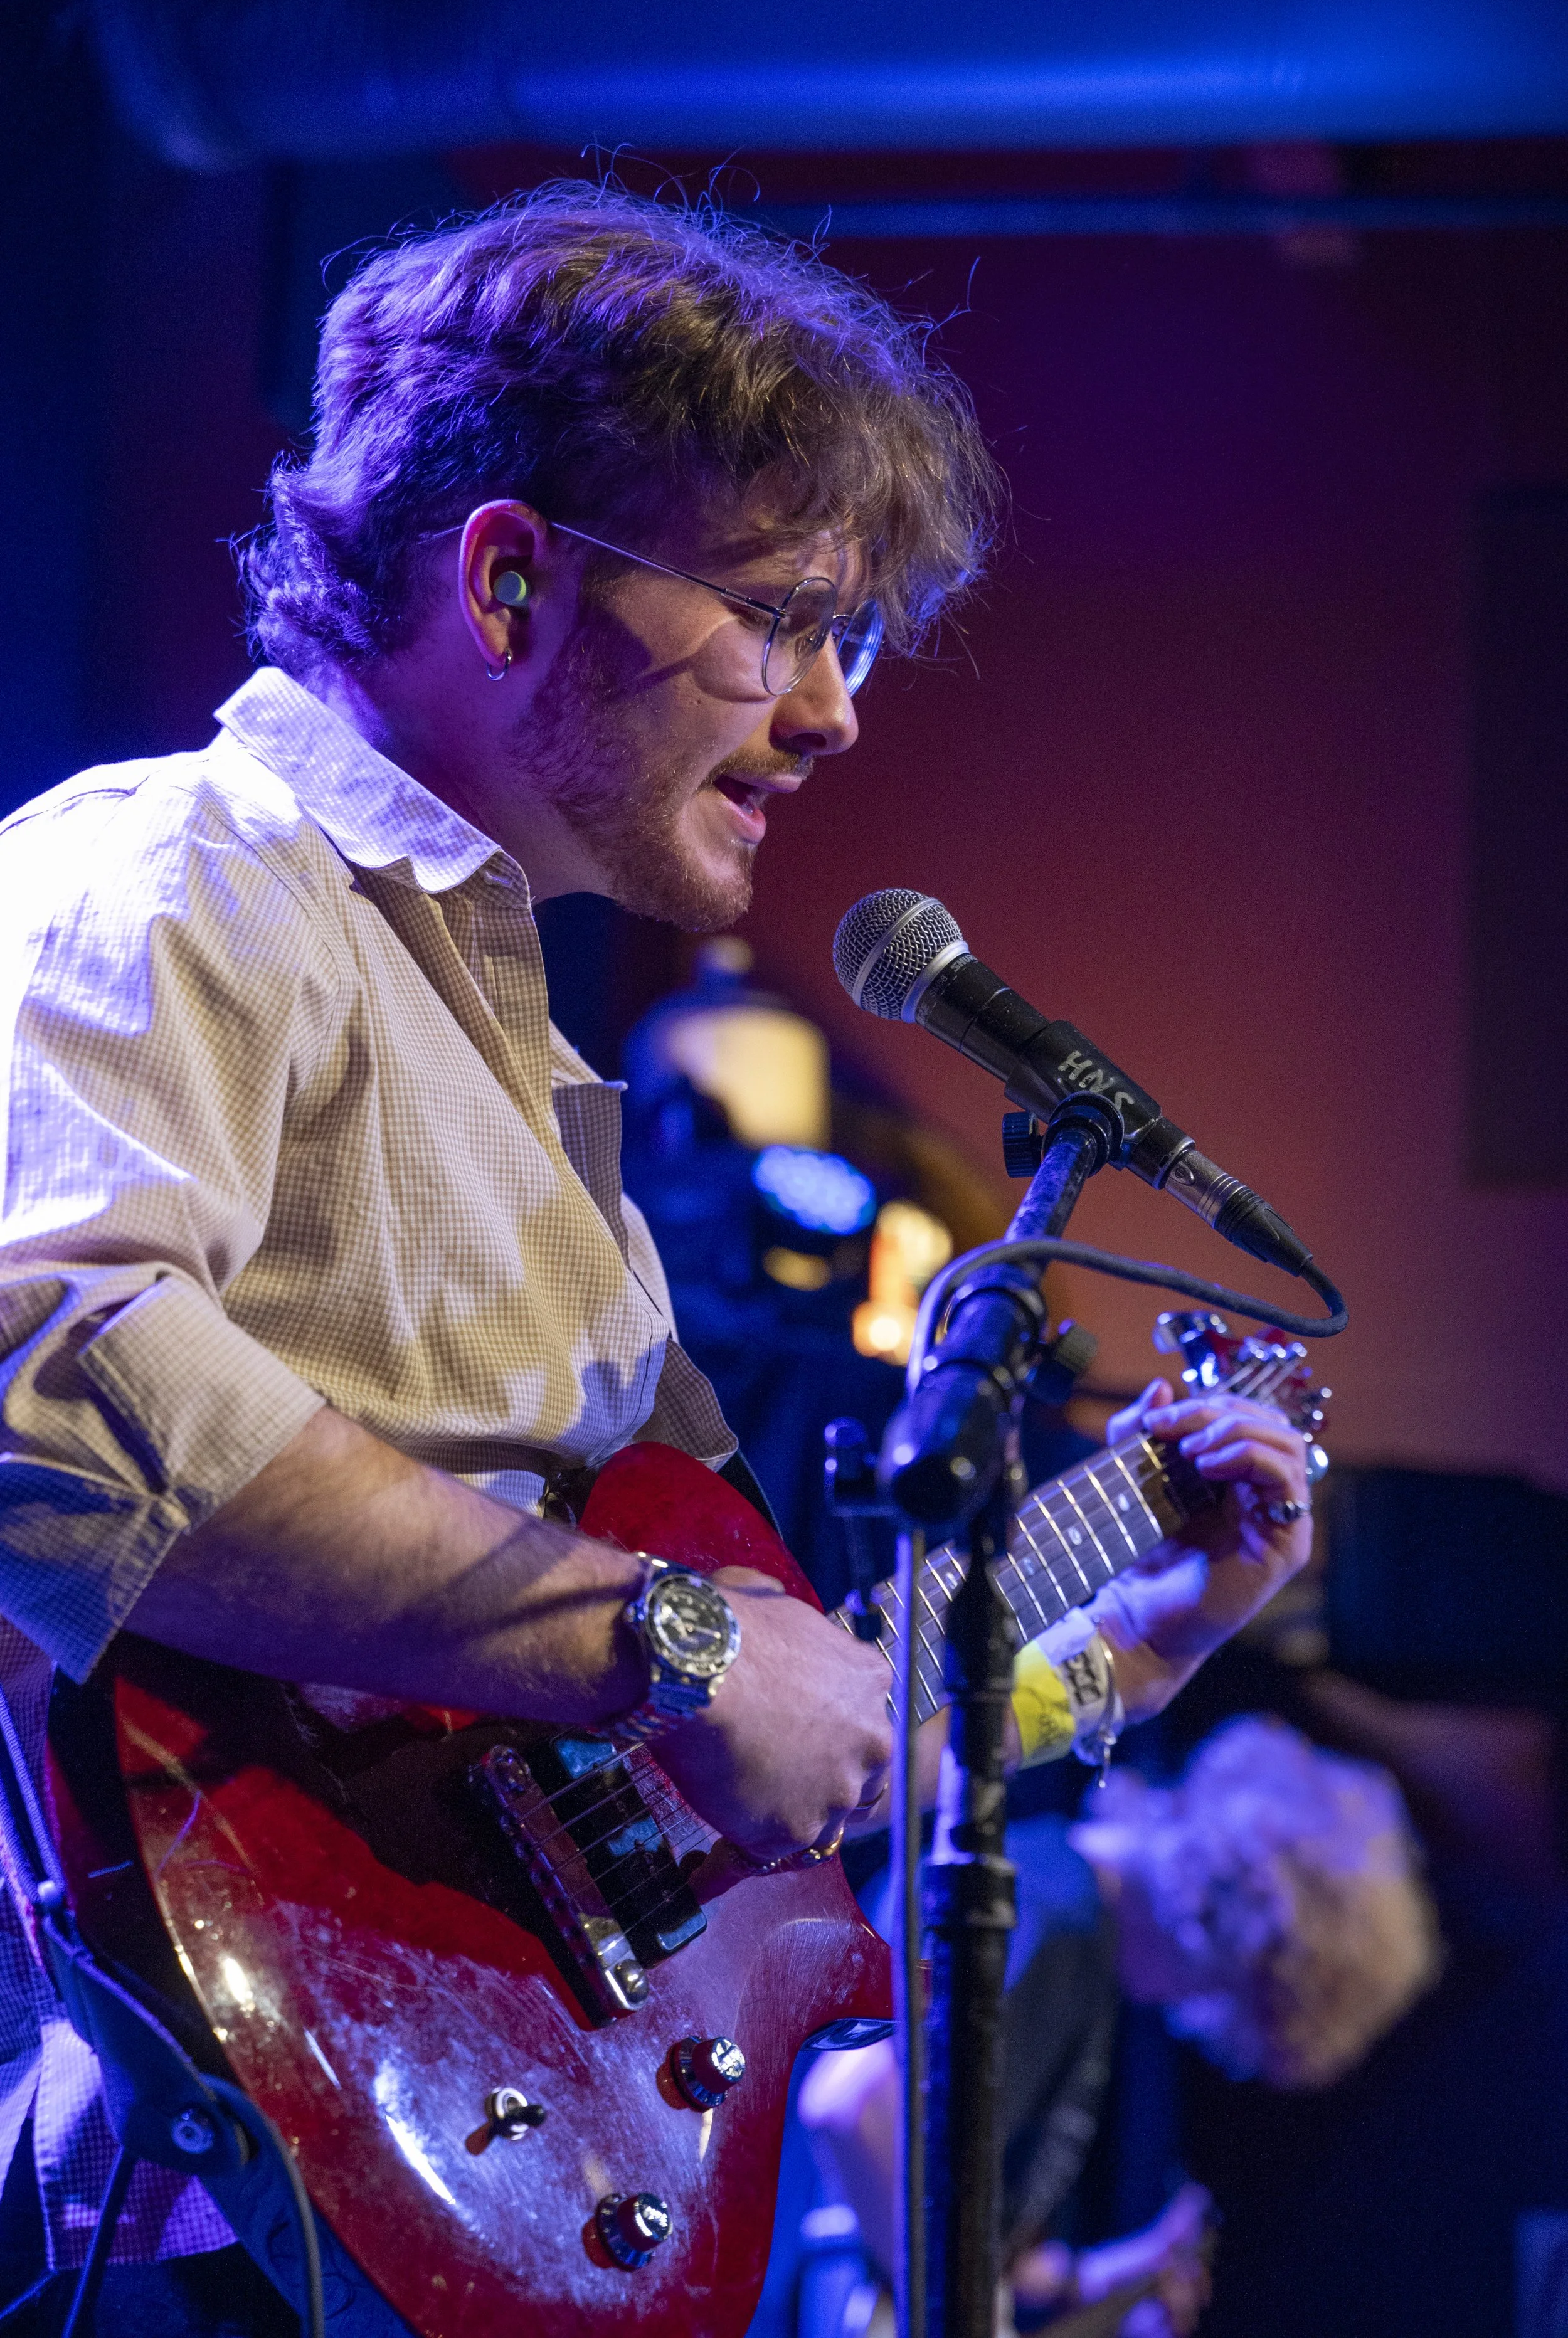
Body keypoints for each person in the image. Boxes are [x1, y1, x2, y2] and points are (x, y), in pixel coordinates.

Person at [0, 185, 1314, 2332]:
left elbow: (723, 1789)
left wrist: (1117, 1652)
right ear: (508, 576)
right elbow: (37, 1363)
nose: (834, 713)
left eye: (854, 638)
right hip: (204, 2176)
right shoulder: (171, 880)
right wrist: (676, 1637)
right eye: (787, 617)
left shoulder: (536, 1064)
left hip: (442, 2164)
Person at [800, 1717, 1438, 2338]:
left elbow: (950, 2233)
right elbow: (850, 2107)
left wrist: (1089, 2283)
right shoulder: (1051, 1915)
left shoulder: (1070, 1926)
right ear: (1243, 1944)